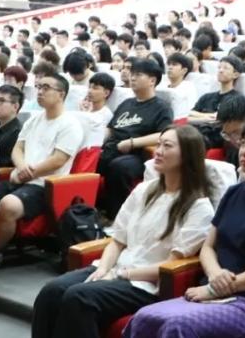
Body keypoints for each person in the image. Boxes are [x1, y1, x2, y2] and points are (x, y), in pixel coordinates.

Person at [124, 116, 245, 338]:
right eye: (244, 142)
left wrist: (219, 288)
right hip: (211, 290)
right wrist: (214, 275)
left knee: (179, 326)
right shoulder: (234, 193)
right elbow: (208, 247)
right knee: (144, 317)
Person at [33, 125, 215, 338]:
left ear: (187, 155)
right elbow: (118, 240)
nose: (157, 151)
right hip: (116, 268)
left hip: (146, 284)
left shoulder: (199, 207)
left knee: (79, 297)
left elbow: (169, 265)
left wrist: (121, 275)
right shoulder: (144, 190)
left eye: (167, 146)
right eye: (158, 144)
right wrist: (103, 269)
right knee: (51, 291)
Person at [0, 74, 83, 268]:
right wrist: (21, 167)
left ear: (61, 94)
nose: (40, 92)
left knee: (9, 205)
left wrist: (29, 173)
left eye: (46, 88)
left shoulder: (70, 124)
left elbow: (59, 160)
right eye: (38, 87)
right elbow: (17, 148)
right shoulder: (33, 120)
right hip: (22, 177)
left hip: (45, 185)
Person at [98, 58, 174, 218]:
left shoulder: (161, 107)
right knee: (91, 158)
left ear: (152, 80)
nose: (132, 78)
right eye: (132, 74)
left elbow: (163, 134)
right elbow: (111, 129)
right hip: (113, 146)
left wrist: (132, 143)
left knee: (119, 167)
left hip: (138, 153)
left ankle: (117, 216)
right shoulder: (126, 103)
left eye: (138, 75)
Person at [190, 56, 243, 124]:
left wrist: (198, 116)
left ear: (235, 75)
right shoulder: (206, 97)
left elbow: (221, 119)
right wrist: (207, 117)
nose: (220, 70)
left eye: (225, 68)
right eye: (219, 67)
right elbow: (189, 114)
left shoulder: (238, 100)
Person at [79, 72, 116, 147]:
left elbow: (96, 138)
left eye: (95, 88)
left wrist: (86, 115)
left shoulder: (106, 114)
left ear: (106, 93)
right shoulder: (83, 107)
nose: (89, 91)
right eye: (89, 87)